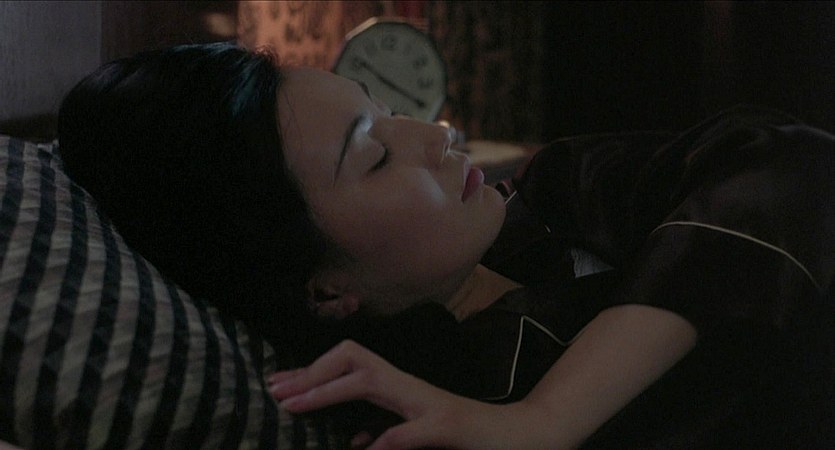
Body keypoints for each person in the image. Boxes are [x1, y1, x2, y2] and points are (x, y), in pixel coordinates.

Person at [56, 42, 834, 449]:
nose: (434, 134)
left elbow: (790, 161)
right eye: (375, 156)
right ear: (323, 288)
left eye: (383, 109)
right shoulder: (462, 402)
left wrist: (548, 419)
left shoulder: (553, 192)